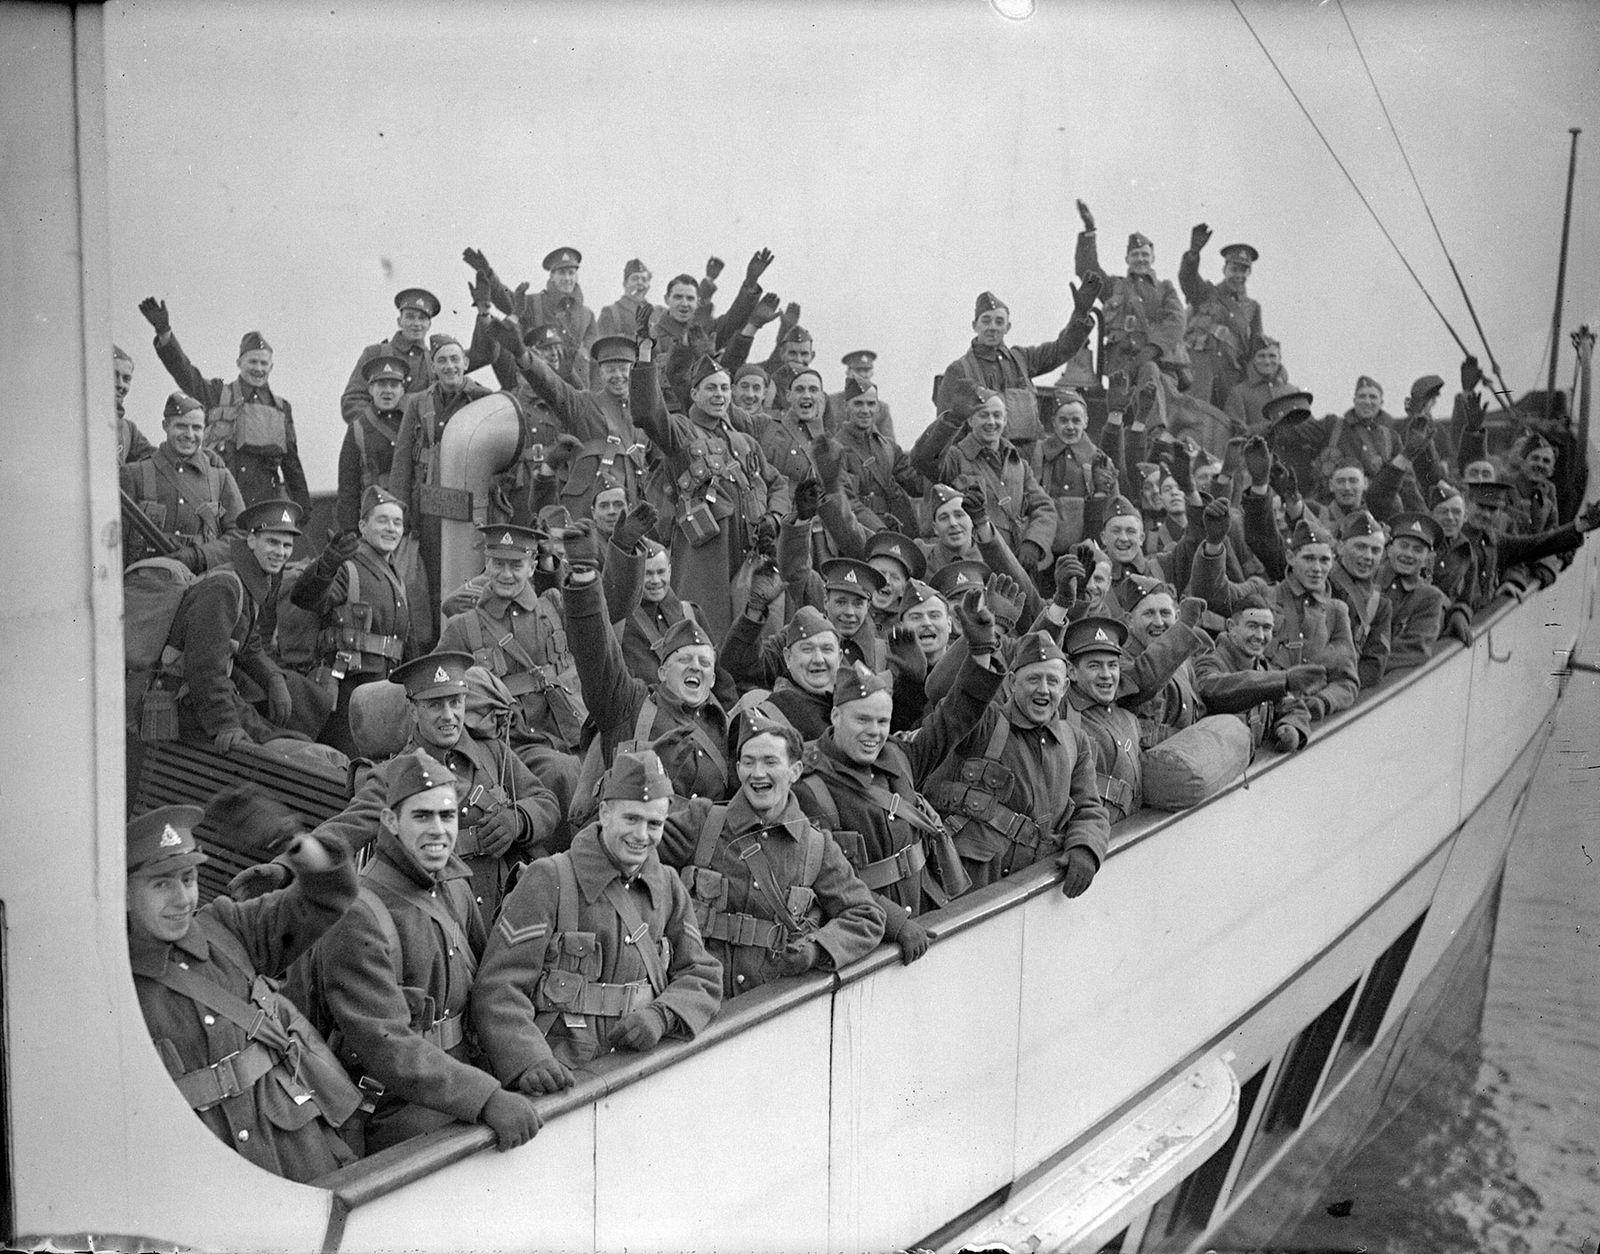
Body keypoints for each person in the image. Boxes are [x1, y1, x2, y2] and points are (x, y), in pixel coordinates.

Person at [301, 749, 543, 1153]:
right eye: (422, 816)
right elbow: (386, 1044)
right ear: (390, 821)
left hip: (462, 1078)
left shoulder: (456, 889)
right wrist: (486, 1098)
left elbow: (489, 988)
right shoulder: (357, 914)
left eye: (447, 817)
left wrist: (526, 1059)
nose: (438, 831)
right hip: (389, 1107)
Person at [126, 797, 361, 1182]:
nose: (182, 899)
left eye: (188, 879)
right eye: (162, 883)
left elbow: (328, 895)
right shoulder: (115, 983)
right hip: (209, 1182)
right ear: (124, 893)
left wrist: (292, 842)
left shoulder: (228, 927)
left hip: (299, 1158)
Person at [473, 748, 723, 1089]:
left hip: (640, 1067)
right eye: (631, 819)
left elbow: (703, 974)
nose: (641, 835)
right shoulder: (549, 879)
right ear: (604, 813)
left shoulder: (667, 885)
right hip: (563, 1074)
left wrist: (662, 1015)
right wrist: (531, 1060)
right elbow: (499, 989)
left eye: (654, 824)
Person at [795, 593, 1005, 964]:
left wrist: (980, 647)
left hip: (926, 916)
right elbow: (829, 882)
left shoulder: (899, 757)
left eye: (882, 722)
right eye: (862, 720)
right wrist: (896, 925)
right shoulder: (810, 788)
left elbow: (957, 714)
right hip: (870, 942)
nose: (874, 733)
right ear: (835, 719)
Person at [662, 717, 886, 996]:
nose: (758, 773)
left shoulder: (816, 846)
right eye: (748, 762)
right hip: (701, 999)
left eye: (770, 762)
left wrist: (816, 949)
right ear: (737, 769)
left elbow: (866, 916)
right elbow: (634, 848)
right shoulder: (703, 822)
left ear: (794, 771)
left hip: (771, 1011)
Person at [630, 314, 790, 641]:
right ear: (695, 394)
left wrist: (774, 517)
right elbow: (648, 413)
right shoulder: (682, 432)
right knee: (703, 637)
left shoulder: (744, 442)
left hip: (747, 557)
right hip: (706, 562)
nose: (719, 395)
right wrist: (646, 351)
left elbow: (778, 484)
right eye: (711, 389)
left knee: (749, 640)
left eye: (724, 388)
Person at [925, 631, 1109, 892]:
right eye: (1033, 679)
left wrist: (1086, 847)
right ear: (1012, 683)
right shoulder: (985, 723)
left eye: (1052, 681)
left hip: (1037, 888)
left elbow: (1089, 808)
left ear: (1065, 687)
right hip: (972, 886)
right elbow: (949, 697)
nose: (1043, 690)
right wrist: (983, 636)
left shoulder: (1075, 741)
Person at [158, 498, 305, 752]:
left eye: (287, 545)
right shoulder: (225, 587)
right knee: (292, 752)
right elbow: (204, 666)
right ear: (250, 540)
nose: (280, 552)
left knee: (298, 741)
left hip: (206, 699)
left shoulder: (248, 582)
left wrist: (272, 678)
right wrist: (226, 724)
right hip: (186, 708)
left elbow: (248, 645)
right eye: (272, 542)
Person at [1189, 507, 1360, 723]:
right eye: (1308, 558)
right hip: (1258, 715)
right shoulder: (1262, 593)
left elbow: (1347, 682)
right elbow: (1214, 594)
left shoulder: (1336, 611)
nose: (1317, 568)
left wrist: (1321, 702)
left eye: (1324, 560)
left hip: (1309, 720)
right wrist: (1213, 546)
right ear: (1290, 557)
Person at [139, 298, 310, 511]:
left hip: (267, 504)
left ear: (271, 367)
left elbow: (292, 463)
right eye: (252, 362)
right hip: (223, 499)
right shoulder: (218, 394)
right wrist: (165, 333)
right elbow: (185, 374)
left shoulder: (281, 408)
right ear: (239, 364)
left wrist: (303, 508)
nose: (258, 368)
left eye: (263, 363)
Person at [437, 524, 588, 754]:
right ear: (487, 565)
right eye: (498, 564)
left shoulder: (554, 610)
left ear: (532, 568)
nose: (506, 574)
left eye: (516, 565)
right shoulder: (463, 627)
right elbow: (439, 687)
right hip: (503, 747)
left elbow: (600, 625)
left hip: (568, 735)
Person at [290, 486, 411, 756]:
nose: (391, 528)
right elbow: (306, 598)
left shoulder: (397, 579)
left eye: (397, 523)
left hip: (385, 695)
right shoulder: (348, 567)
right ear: (363, 526)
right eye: (382, 521)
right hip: (348, 695)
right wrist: (327, 564)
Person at [934, 282, 1100, 471]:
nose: (992, 327)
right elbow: (947, 428)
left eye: (999, 321)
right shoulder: (959, 370)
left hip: (1029, 463)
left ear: (1008, 327)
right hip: (984, 463)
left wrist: (1080, 314)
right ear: (975, 325)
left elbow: (1060, 350)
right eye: (986, 321)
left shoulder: (1022, 359)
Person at [918, 388, 1059, 580]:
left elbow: (1045, 507)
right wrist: (952, 421)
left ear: (1005, 419)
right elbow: (925, 459)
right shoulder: (956, 458)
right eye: (984, 415)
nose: (991, 422)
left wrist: (1034, 542)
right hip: (975, 564)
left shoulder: (1018, 464)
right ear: (970, 420)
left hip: (1015, 563)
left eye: (997, 416)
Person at [1074, 203, 1186, 389]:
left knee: (1150, 375)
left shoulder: (1165, 288)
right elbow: (1087, 270)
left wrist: (1151, 350)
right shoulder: (1114, 287)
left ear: (1153, 259)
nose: (1140, 259)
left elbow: (1176, 322)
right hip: (1121, 368)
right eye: (1135, 255)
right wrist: (1089, 231)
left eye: (1145, 254)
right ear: (1127, 259)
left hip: (1159, 365)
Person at [121, 391, 246, 553]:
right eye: (181, 426)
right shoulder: (134, 474)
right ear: (165, 425)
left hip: (204, 575)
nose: (190, 435)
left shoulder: (220, 477)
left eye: (197, 428)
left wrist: (200, 557)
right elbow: (117, 539)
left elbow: (240, 534)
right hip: (147, 575)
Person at [1193, 595, 1322, 751]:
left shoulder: (1261, 666)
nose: (1260, 636)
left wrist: (1291, 726)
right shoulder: (1209, 662)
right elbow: (1215, 689)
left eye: (1267, 628)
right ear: (1231, 626)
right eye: (1252, 626)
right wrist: (1283, 680)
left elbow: (1291, 706)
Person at [1179, 227, 1263, 410]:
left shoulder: (1253, 308)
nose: (1239, 276)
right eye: (1234, 269)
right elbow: (1188, 280)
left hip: (1230, 378)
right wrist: (1193, 254)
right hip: (1199, 370)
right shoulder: (1207, 293)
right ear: (1224, 269)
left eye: (1244, 271)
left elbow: (1255, 350)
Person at [341, 288, 441, 427]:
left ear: (429, 325)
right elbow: (351, 402)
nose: (416, 323)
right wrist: (377, 428)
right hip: (379, 444)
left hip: (419, 444)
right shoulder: (374, 353)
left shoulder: (436, 361)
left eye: (422, 318)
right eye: (410, 316)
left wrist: (483, 311)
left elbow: (479, 355)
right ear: (399, 321)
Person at [1378, 513, 1449, 671]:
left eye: (1418, 550)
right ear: (1389, 549)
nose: (1409, 554)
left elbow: (1414, 651)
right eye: (1403, 545)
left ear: (1428, 558)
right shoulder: (1370, 578)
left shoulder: (1430, 598)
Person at [1223, 336, 1294, 437]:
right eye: (1261, 356)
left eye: (1272, 356)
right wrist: (1269, 427)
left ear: (1279, 359)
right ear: (1253, 360)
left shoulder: (1292, 392)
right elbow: (1235, 431)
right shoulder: (1239, 393)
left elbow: (1306, 426)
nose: (1267, 361)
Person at [825, 349, 896, 440]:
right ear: (848, 373)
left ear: (871, 373)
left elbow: (888, 443)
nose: (863, 375)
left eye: (866, 370)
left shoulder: (882, 408)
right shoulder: (832, 402)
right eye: (858, 370)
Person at [595, 258, 660, 339]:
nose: (640, 283)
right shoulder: (611, 313)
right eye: (635, 279)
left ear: (648, 286)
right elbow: (603, 347)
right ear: (625, 284)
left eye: (644, 280)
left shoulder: (657, 315)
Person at [114, 344, 155, 466]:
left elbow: (159, 461)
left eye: (126, 379)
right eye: (113, 375)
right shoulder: (81, 422)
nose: (120, 384)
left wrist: (201, 458)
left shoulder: (128, 430)